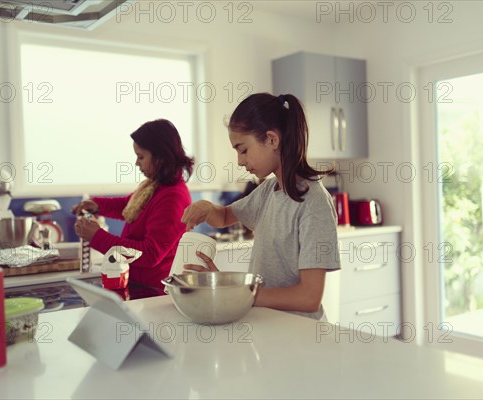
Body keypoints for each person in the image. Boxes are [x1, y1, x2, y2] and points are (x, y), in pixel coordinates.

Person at [181, 93, 340, 320]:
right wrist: (207, 208)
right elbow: (225, 216)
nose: (240, 161)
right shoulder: (269, 190)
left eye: (243, 150)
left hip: (300, 333)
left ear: (272, 140)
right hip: (267, 324)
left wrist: (238, 293)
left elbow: (308, 297)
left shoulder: (314, 202)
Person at [73, 119, 194, 290]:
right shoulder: (155, 187)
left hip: (154, 291)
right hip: (138, 284)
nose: (137, 163)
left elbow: (150, 254)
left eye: (141, 157)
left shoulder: (174, 197)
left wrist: (97, 237)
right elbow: (127, 206)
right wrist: (96, 204)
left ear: (161, 157)